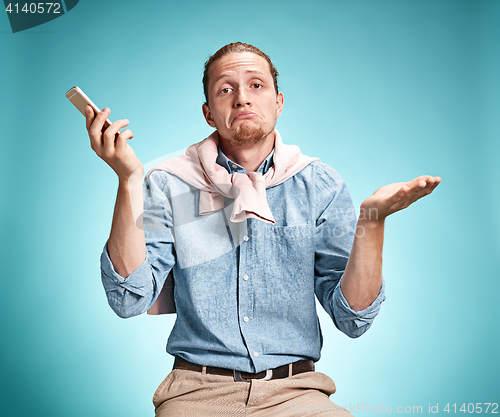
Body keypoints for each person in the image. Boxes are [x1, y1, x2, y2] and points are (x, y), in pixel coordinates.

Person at [85, 42, 441, 416]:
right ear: (209, 113)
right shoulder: (169, 183)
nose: (242, 99)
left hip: (297, 394)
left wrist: (373, 219)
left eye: (256, 85)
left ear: (278, 102)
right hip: (195, 394)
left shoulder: (320, 184)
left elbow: (352, 319)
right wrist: (128, 179)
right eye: (226, 89)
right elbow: (129, 299)